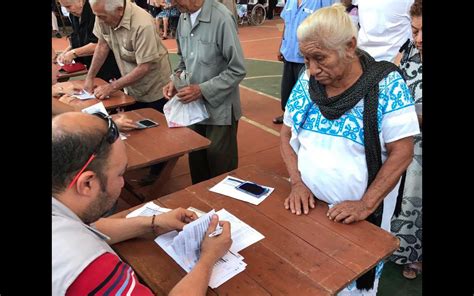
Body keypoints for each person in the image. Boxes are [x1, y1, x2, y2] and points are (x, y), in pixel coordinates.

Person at [279, 4, 420, 295]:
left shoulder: (387, 83)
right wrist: (297, 182)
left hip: (361, 220)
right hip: (308, 210)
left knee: (351, 286)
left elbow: (402, 151)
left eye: (320, 58)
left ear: (350, 46)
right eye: (306, 59)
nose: (312, 69)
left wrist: (366, 204)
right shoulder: (308, 81)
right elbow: (286, 132)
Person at [52, 111, 232, 295]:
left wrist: (154, 223)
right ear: (87, 183)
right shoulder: (88, 269)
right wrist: (208, 259)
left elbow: (86, 228)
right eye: (120, 174)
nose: (123, 183)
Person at [163, 0, 246, 184]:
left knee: (221, 172)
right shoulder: (183, 17)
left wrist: (202, 90)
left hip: (220, 111)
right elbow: (183, 61)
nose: (173, 4)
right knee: (198, 167)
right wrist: (174, 79)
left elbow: (237, 69)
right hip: (194, 110)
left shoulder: (221, 17)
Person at [85, 0, 172, 114]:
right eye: (97, 15)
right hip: (130, 87)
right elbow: (102, 45)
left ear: (120, 11)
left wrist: (111, 87)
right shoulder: (102, 13)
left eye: (102, 17)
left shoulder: (143, 24)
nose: (99, 20)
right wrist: (90, 77)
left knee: (157, 126)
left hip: (154, 88)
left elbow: (144, 67)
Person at [390, 0, 422, 280]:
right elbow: (392, 76)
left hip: (416, 138)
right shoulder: (409, 47)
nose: (419, 38)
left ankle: (416, 256)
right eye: (415, 31)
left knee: (416, 195)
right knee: (400, 196)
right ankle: (404, 249)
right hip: (404, 136)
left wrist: (407, 116)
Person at [272, 0, 332, 124]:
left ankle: (305, 118)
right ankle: (287, 115)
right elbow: (287, 25)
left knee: (306, 89)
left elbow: (329, 24)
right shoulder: (291, 1)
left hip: (308, 57)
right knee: (287, 87)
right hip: (289, 52)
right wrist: (281, 46)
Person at [57, 0, 122, 83]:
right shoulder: (74, 15)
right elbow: (77, 38)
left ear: (80, 1)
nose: (67, 10)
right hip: (91, 64)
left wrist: (73, 53)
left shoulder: (94, 13)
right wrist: (65, 52)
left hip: (108, 63)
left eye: (68, 6)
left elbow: (99, 44)